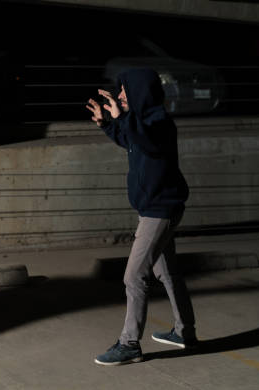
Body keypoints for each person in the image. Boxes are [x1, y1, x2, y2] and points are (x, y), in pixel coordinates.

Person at [86, 68, 197, 366]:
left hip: (160, 212)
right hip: (154, 209)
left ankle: (129, 344)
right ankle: (184, 332)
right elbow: (130, 140)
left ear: (139, 92)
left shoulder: (159, 122)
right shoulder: (142, 122)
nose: (120, 95)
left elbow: (145, 140)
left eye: (124, 91)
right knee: (167, 272)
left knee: (134, 276)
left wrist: (121, 116)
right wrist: (106, 124)